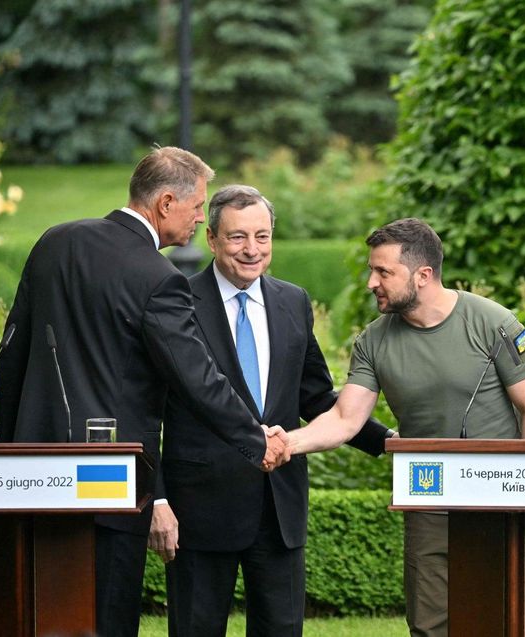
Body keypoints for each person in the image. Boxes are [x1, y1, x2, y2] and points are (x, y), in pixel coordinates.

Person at [0, 147, 289, 637]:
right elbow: (196, 379)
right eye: (197, 207)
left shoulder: (55, 241)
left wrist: (8, 449)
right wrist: (256, 438)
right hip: (110, 482)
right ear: (166, 202)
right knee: (106, 619)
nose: (200, 218)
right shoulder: (159, 279)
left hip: (34, 472)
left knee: (41, 611)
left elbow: (13, 353)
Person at [285, 217, 525, 637]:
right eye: (373, 270)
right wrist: (288, 443)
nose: (372, 282)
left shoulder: (493, 322)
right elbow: (344, 419)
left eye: (384, 272)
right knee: (429, 625)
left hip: (502, 494)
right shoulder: (373, 340)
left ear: (423, 275)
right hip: (429, 495)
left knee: (503, 618)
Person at [148, 185, 393, 637]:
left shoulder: (292, 301)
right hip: (200, 510)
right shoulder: (175, 300)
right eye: (238, 237)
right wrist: (157, 499)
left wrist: (387, 442)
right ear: (213, 240)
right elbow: (149, 411)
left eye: (262, 236)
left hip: (279, 508)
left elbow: (315, 396)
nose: (252, 249)